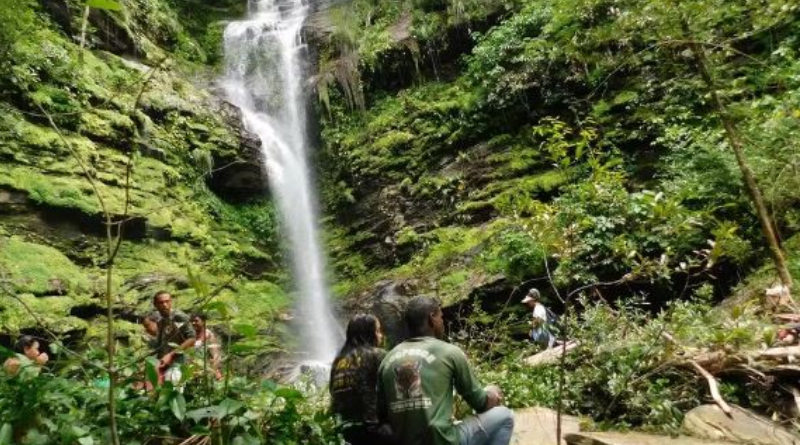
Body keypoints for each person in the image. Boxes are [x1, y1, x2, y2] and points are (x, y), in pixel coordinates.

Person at [377, 296, 514, 445]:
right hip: (442, 440)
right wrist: (493, 393)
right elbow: (480, 403)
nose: (443, 322)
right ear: (432, 319)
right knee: (504, 416)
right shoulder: (449, 352)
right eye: (441, 317)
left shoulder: (387, 360)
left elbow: (382, 418)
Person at [330, 314, 394, 445]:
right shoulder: (376, 355)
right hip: (375, 431)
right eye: (377, 330)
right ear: (368, 333)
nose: (381, 335)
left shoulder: (338, 361)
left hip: (344, 431)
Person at [152, 291, 196, 385]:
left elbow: (192, 338)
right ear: (155, 305)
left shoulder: (178, 317)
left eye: (167, 301)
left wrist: (171, 355)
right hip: (163, 364)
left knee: (173, 392)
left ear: (171, 302)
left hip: (178, 364)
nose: (165, 305)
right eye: (161, 302)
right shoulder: (161, 320)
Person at [191, 312, 223, 380]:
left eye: (196, 321)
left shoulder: (209, 336)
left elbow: (216, 356)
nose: (193, 323)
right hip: (193, 371)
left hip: (206, 371)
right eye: (192, 321)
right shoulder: (191, 336)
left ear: (203, 322)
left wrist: (213, 371)